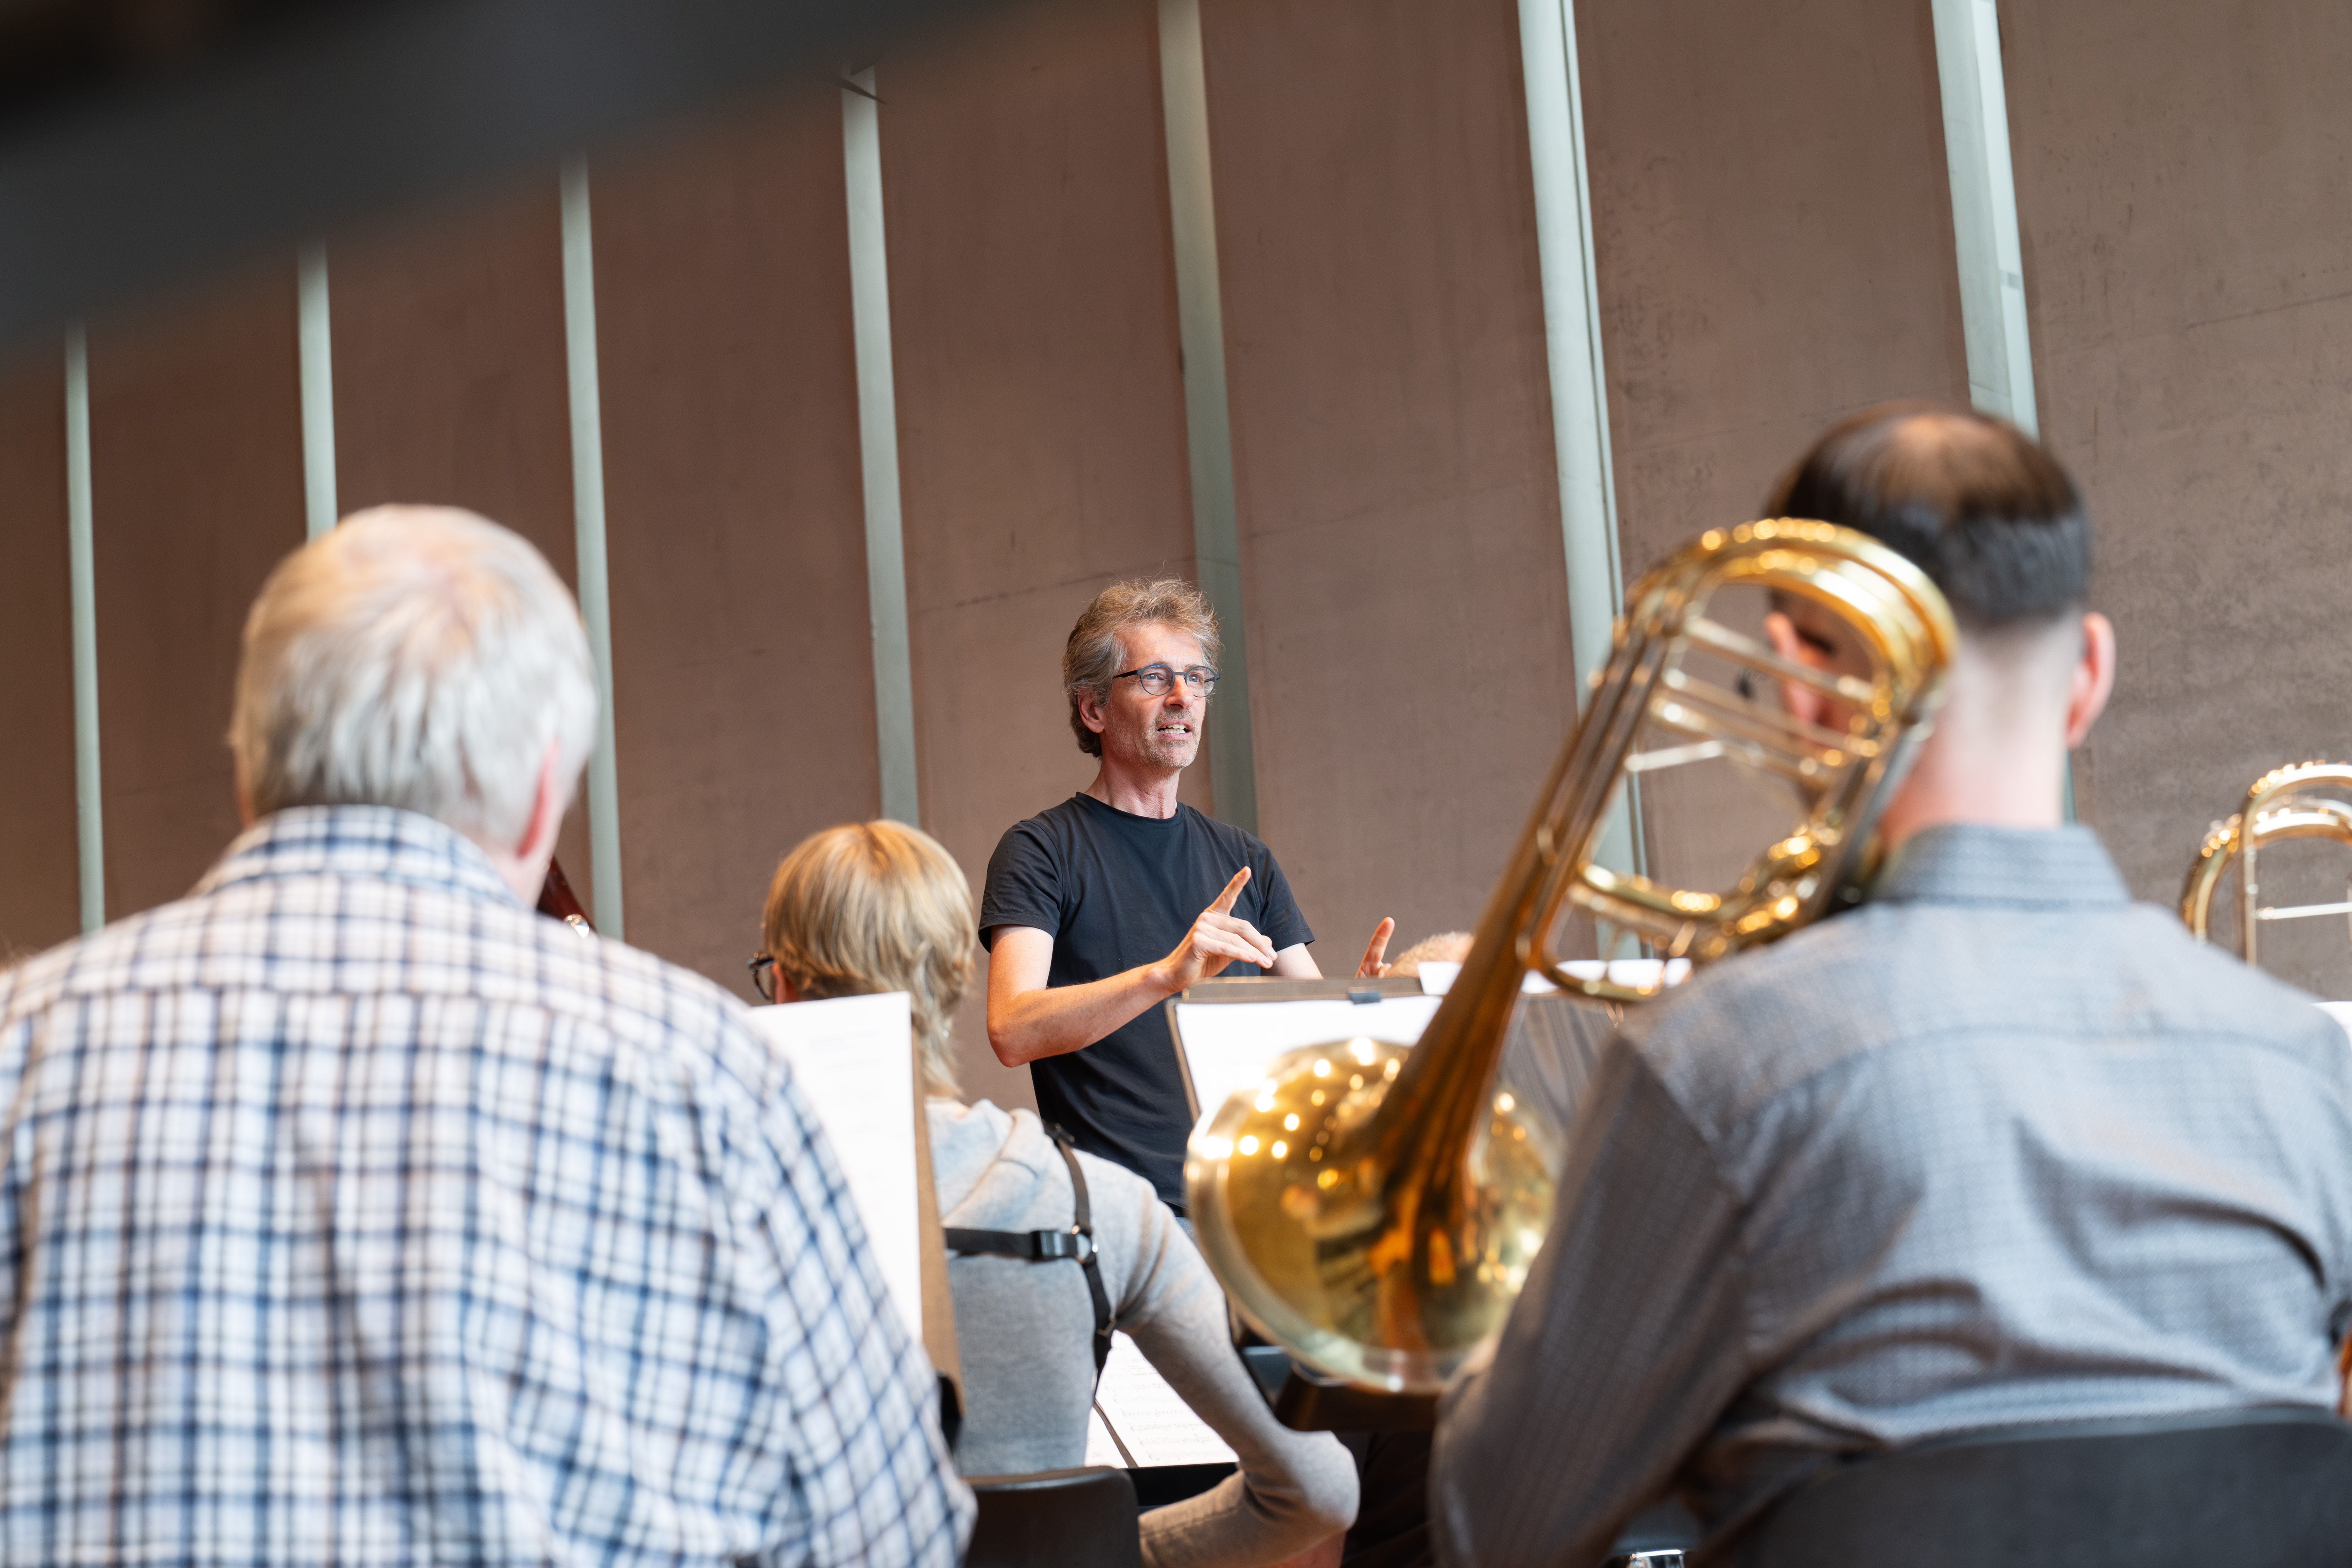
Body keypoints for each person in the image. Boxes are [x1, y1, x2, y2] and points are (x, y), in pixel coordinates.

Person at [1430, 406, 2352, 1564]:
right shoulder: (2303, 1060)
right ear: (2088, 675)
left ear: (1802, 683)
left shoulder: (1717, 1056)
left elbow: (1496, 1528)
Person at [0, 507, 971, 1566]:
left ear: (249, 773)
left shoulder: (23, 1047)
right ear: (540, 793)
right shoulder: (702, 1067)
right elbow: (894, 1533)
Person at [760, 819, 1358, 1568]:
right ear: (958, 975)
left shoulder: (720, 1211)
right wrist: (1090, 1549)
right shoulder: (1105, 1205)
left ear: (782, 983)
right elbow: (1322, 1487)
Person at [983, 579, 1394, 1212]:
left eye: (1197, 678)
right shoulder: (1040, 850)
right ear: (1093, 709)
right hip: (1127, 1220)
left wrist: (1362, 1010)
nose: (1183, 698)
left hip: (1254, 1209)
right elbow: (1012, 1029)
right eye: (1154, 678)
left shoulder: (1245, 858)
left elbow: (1318, 1033)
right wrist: (1165, 977)